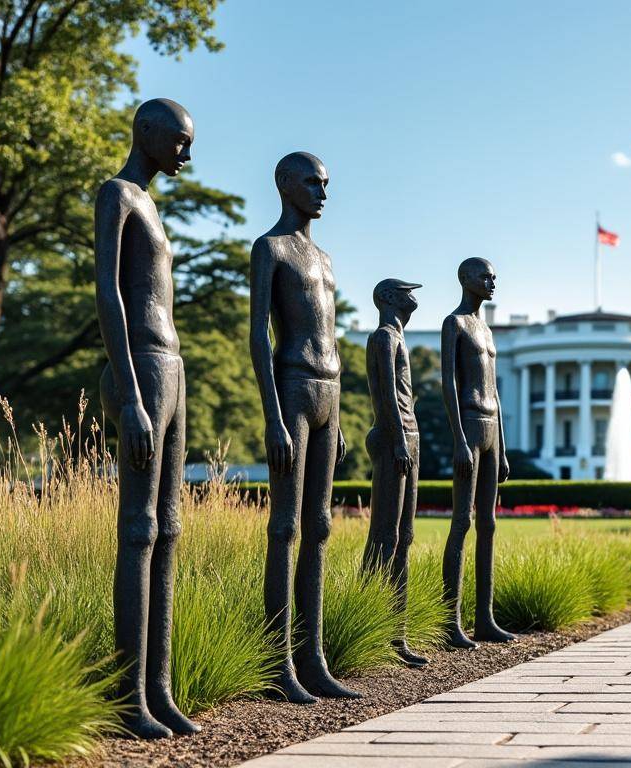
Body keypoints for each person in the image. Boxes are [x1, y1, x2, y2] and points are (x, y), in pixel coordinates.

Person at [94, 98, 199, 738]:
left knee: (170, 526)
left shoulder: (150, 203)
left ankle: (157, 688)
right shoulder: (118, 195)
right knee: (138, 529)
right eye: (180, 141)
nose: (187, 152)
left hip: (173, 367)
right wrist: (130, 394)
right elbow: (108, 290)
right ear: (149, 135)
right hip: (141, 366)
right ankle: (127, 697)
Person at [249, 151, 359, 702]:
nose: (323, 192)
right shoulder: (269, 249)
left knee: (319, 526)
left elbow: (334, 336)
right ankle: (279, 661)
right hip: (292, 385)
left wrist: (336, 420)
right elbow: (258, 337)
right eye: (313, 183)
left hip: (329, 390)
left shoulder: (326, 259)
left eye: (326, 183)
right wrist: (273, 416)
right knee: (285, 526)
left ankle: (313, 658)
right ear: (285, 185)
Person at [441, 257, 515, 648]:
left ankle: (484, 618)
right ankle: (451, 621)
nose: (492, 282)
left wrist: (501, 448)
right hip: (468, 423)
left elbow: (497, 393)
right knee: (462, 522)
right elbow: (448, 384)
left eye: (494, 277)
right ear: (465, 279)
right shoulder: (454, 324)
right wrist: (457, 438)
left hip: (490, 427)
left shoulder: (486, 330)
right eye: (485, 276)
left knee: (488, 523)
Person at [362, 278, 428, 668]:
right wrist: (400, 439)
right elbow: (384, 392)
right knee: (384, 536)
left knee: (404, 536)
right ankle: (372, 625)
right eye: (406, 292)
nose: (413, 297)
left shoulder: (398, 338)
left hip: (409, 436)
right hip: (394, 439)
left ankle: (396, 633)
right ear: (388, 298)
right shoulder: (384, 338)